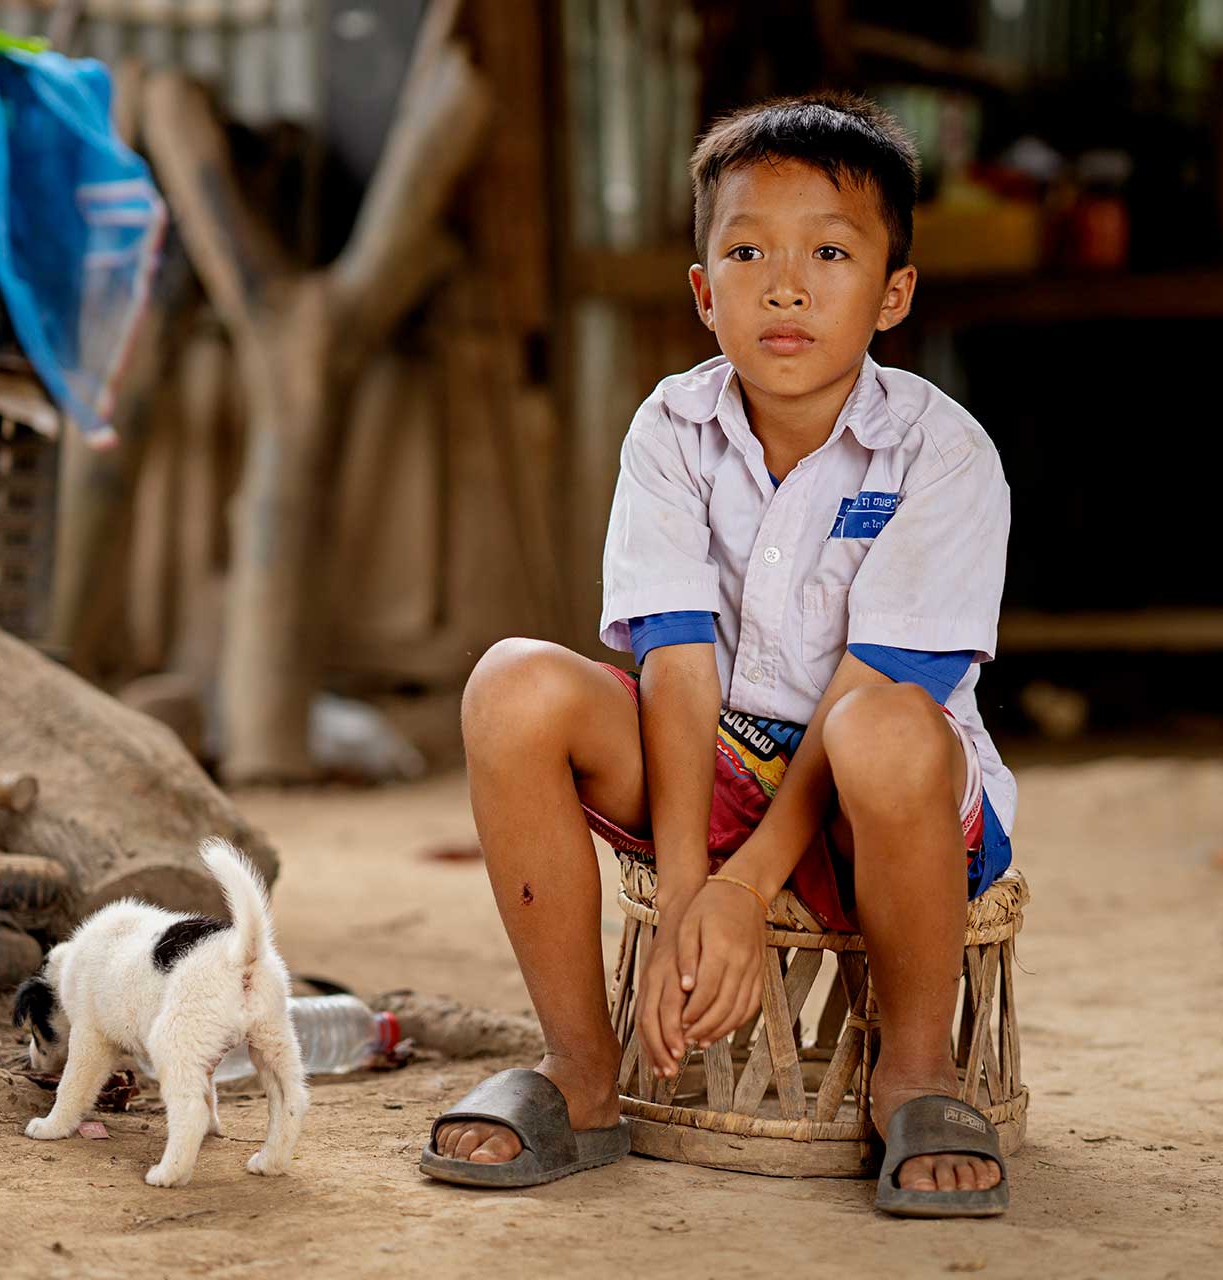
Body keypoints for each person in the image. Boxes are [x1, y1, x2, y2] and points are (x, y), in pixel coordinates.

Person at [421, 93, 1015, 1218]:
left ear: (893, 294)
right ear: (704, 292)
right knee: (512, 684)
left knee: (879, 726)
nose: (785, 287)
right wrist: (690, 888)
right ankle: (580, 1074)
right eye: (747, 253)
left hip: (882, 804)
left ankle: (917, 1074)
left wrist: (743, 888)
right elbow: (679, 662)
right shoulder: (672, 427)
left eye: (829, 253)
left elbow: (883, 686)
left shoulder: (942, 452)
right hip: (716, 770)